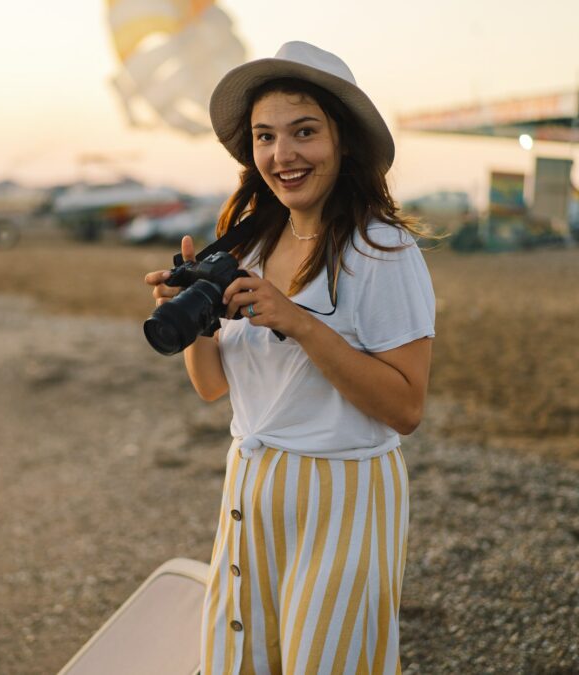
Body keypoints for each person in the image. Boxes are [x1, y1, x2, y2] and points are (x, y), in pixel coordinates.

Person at [144, 42, 435, 674]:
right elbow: (213, 388)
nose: (283, 155)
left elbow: (407, 407)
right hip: (249, 484)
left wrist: (299, 322)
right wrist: (191, 314)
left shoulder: (381, 250)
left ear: (344, 141)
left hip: (344, 492)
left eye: (305, 132)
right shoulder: (250, 240)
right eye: (265, 136)